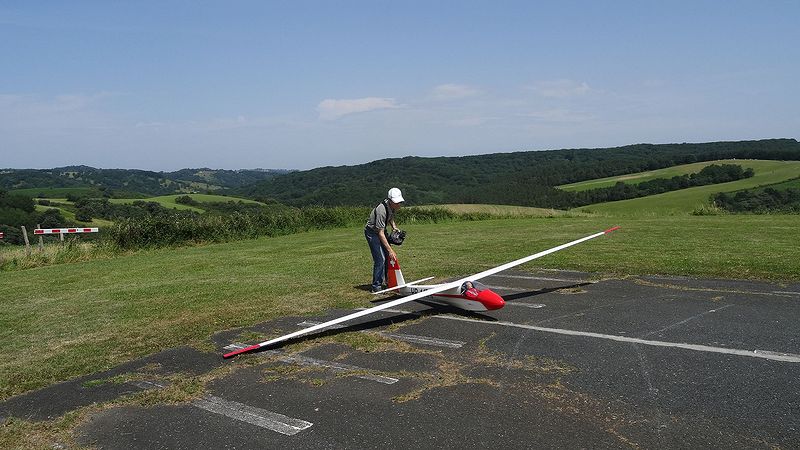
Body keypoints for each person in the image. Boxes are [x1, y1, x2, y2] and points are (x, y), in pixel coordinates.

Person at [365, 187, 404, 292]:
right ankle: (376, 287)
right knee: (380, 259)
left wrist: (394, 227)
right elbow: (380, 233)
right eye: (397, 202)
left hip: (381, 231)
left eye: (399, 202)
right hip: (372, 233)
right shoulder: (381, 210)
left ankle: (389, 282)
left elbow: (390, 217)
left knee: (388, 257)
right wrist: (390, 250)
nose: (399, 204)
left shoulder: (391, 207)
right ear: (390, 200)